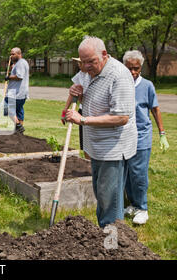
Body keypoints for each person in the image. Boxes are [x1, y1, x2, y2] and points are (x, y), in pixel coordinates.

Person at [65, 36, 137, 228]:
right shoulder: (89, 74)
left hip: (113, 147)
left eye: (91, 61)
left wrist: (84, 120)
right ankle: (105, 237)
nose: (86, 66)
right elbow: (72, 108)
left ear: (104, 55)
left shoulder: (119, 75)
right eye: (83, 62)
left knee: (109, 200)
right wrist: (76, 93)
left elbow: (121, 117)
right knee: (101, 193)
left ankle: (111, 244)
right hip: (96, 146)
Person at [122, 50, 169, 225]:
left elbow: (155, 109)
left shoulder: (147, 85)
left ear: (141, 68)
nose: (133, 72)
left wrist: (162, 133)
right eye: (130, 69)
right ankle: (133, 204)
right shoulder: (121, 84)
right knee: (126, 173)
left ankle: (143, 208)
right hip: (124, 135)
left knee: (139, 173)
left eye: (136, 68)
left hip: (142, 135)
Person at [61, 57, 90, 158]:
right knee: (84, 144)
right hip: (82, 110)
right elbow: (72, 94)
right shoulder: (80, 75)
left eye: (80, 63)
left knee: (91, 143)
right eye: (78, 63)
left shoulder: (93, 75)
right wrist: (64, 112)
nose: (79, 65)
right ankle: (88, 163)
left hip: (92, 112)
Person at [4, 47, 29, 133]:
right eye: (10, 54)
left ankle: (18, 126)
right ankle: (19, 132)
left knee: (5, 107)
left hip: (16, 93)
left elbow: (19, 76)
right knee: (18, 111)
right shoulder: (21, 63)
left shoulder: (20, 63)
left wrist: (8, 77)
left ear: (19, 54)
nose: (11, 56)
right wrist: (12, 69)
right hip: (21, 93)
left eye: (13, 54)